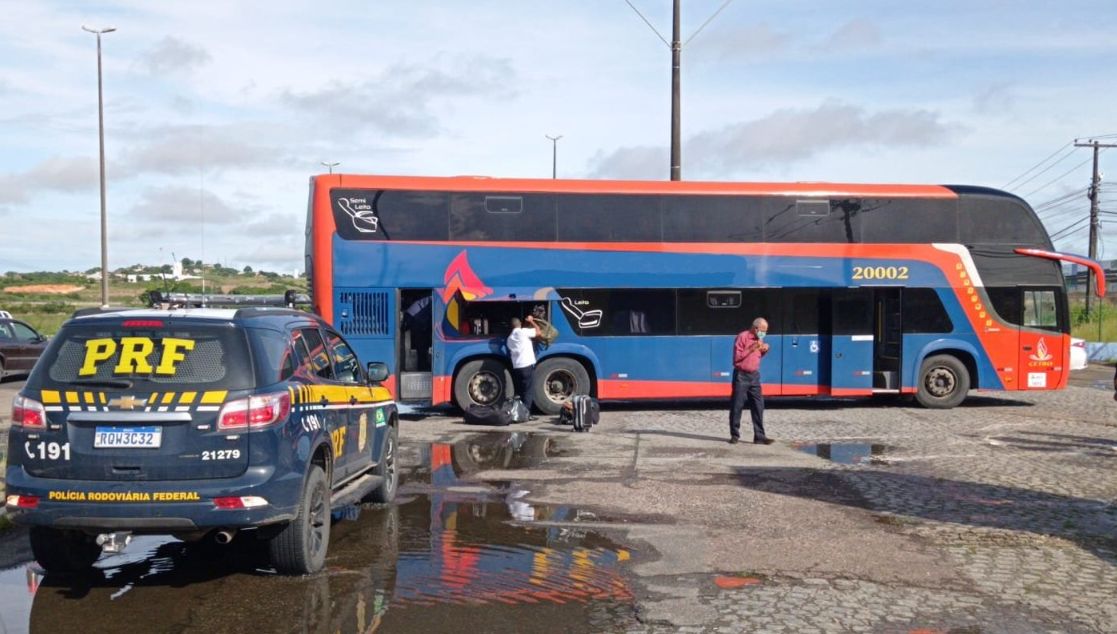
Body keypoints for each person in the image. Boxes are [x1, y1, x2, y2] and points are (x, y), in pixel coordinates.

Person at [729, 317, 772, 445]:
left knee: (759, 406)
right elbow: (737, 358)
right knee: (737, 405)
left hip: (754, 376)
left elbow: (757, 356)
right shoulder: (742, 337)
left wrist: (764, 350)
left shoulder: (759, 339)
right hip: (741, 375)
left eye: (766, 331)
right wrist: (751, 348)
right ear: (755, 328)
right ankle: (734, 435)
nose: (764, 333)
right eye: (763, 330)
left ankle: (759, 436)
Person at [506, 315, 539, 420]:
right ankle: (527, 414)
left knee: (521, 391)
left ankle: (519, 413)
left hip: (517, 367)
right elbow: (538, 332)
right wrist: (532, 321)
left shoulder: (509, 338)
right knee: (528, 391)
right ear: (520, 324)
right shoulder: (523, 332)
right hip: (526, 366)